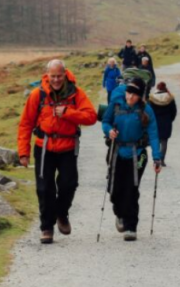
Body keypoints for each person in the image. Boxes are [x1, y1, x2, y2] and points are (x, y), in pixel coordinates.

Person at [19, 59, 98, 245]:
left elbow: (91, 117)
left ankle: (62, 213)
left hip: (68, 147)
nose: (56, 79)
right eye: (52, 76)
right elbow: (25, 124)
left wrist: (69, 113)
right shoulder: (36, 95)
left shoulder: (76, 93)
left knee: (69, 184)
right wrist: (23, 152)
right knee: (44, 188)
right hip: (44, 147)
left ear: (65, 74)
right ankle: (47, 228)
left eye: (59, 76)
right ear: (47, 75)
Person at [101, 77, 161, 241]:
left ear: (140, 95)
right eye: (128, 93)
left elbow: (154, 135)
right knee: (114, 189)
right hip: (116, 151)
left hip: (137, 153)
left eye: (134, 95)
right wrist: (109, 131)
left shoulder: (146, 110)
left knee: (131, 188)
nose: (130, 97)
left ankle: (130, 226)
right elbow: (106, 122)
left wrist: (157, 158)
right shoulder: (116, 104)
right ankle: (120, 213)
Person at [149, 82, 177, 167]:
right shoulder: (170, 98)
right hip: (166, 122)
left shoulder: (152, 99)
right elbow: (174, 111)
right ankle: (162, 160)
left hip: (155, 122)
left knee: (156, 142)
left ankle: (156, 159)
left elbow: (149, 112)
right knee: (164, 142)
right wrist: (170, 120)